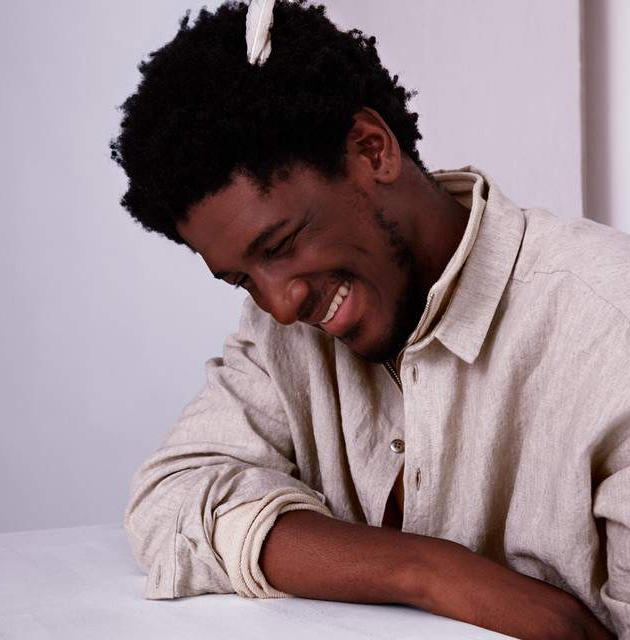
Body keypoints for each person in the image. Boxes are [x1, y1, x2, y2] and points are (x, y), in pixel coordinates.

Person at [110, 1, 629, 638]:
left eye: (280, 245)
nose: (280, 306)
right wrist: (428, 572)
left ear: (370, 149)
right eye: (243, 279)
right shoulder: (283, 335)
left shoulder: (610, 324)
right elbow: (171, 495)